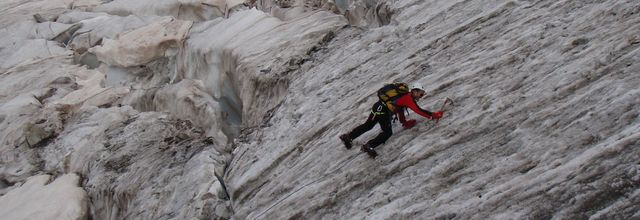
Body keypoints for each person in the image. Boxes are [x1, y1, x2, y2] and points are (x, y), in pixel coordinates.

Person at [339, 83, 444, 158]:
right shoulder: (408, 98)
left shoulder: (404, 96)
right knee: (387, 132)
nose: (420, 97)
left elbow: (400, 109)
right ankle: (369, 146)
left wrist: (404, 122)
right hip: (383, 112)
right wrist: (434, 115)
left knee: (368, 125)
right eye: (420, 94)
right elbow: (419, 110)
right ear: (414, 91)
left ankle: (348, 137)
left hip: (378, 107)